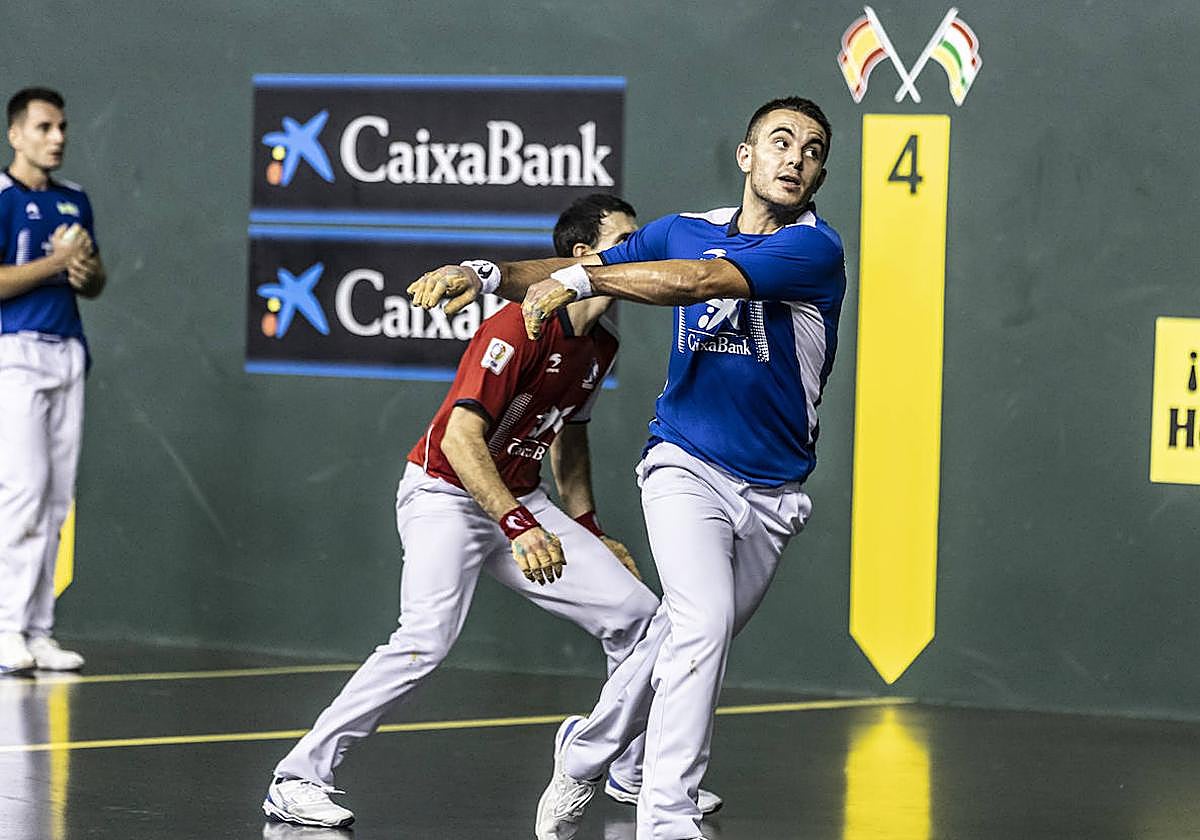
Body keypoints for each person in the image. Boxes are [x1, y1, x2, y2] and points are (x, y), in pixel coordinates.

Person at [408, 96, 845, 840]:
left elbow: (697, 282)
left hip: (774, 492)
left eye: (810, 151)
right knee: (702, 626)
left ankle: (586, 752)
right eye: (779, 142)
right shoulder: (682, 228)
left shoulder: (813, 251)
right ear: (746, 157)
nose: (793, 158)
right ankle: (665, 817)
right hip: (685, 466)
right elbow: (580, 267)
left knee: (682, 632)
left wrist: (585, 283)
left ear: (820, 173)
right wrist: (486, 273)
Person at [263, 194, 721, 828]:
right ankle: (299, 775)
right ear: (584, 258)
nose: (641, 248)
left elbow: (569, 433)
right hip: (444, 494)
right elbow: (458, 438)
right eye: (627, 238)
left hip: (520, 501)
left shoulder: (601, 345)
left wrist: (588, 529)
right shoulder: (516, 326)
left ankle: (628, 768)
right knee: (424, 639)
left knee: (641, 620)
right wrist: (517, 524)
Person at [0, 87, 105, 676]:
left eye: (62, 126)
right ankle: (4, 627)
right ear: (16, 134)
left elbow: (91, 283)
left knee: (57, 499)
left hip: (67, 352)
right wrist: (56, 263)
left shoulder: (75, 201)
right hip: (12, 354)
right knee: (21, 493)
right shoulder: (1, 197)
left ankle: (37, 631)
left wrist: (85, 269)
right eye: (44, 127)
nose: (57, 137)